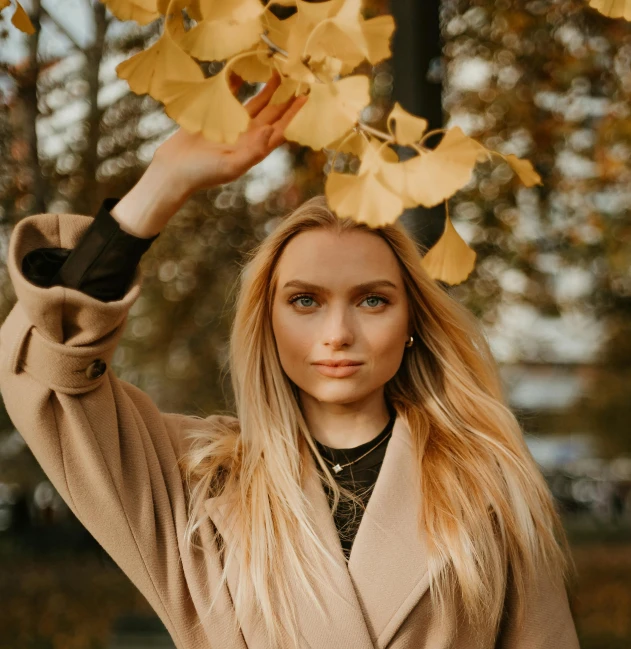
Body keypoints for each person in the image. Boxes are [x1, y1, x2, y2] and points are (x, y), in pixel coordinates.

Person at [0, 70, 581, 649]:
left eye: (372, 300)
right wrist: (161, 186)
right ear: (267, 325)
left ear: (411, 324)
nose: (337, 333)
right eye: (305, 301)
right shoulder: (198, 483)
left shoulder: (485, 484)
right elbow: (49, 376)